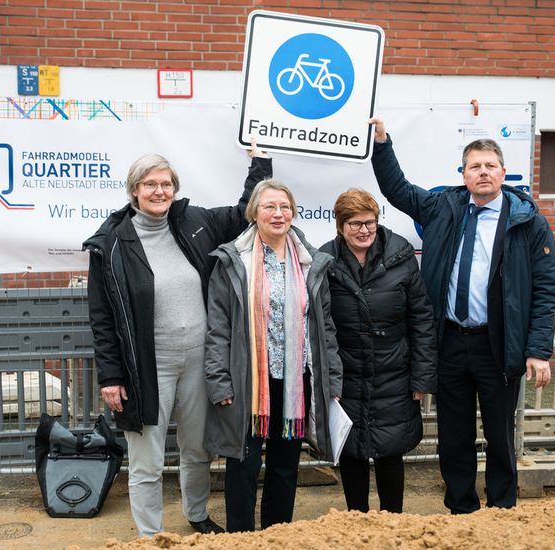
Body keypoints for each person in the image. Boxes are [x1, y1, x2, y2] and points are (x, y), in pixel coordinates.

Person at [368, 117, 555, 514]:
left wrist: (538, 350)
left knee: (500, 435)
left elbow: (544, 292)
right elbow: (397, 190)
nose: (483, 172)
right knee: (454, 437)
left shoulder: (529, 223)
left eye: (490, 165)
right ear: (464, 173)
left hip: (498, 345)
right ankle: (461, 509)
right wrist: (383, 144)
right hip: (450, 342)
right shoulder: (444, 208)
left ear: (504, 173)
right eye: (475, 166)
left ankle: (502, 508)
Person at [83, 145, 272, 537]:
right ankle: (150, 535)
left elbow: (243, 214)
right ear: (133, 190)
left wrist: (261, 164)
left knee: (197, 450)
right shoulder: (112, 242)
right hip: (145, 367)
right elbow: (102, 318)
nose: (159, 191)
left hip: (200, 359)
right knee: (147, 460)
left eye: (166, 183)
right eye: (150, 184)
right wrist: (110, 376)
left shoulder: (193, 223)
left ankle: (197, 514)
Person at [203, 179, 343, 532]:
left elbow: (324, 326)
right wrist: (219, 382)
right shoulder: (233, 261)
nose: (278, 213)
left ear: (293, 212)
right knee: (243, 464)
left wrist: (333, 378)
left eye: (284, 206)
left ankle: (278, 535)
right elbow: (218, 327)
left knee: (285, 467)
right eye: (269, 206)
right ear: (254, 213)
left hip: (296, 380)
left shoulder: (310, 261)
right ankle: (240, 537)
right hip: (247, 380)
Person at [319, 188, 437, 514]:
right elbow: (319, 325)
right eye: (355, 223)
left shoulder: (401, 257)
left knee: (390, 451)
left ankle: (393, 524)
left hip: (394, 374)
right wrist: (329, 380)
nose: (364, 230)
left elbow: (422, 320)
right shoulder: (324, 263)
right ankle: (358, 524)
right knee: (352, 451)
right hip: (347, 376)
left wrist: (421, 379)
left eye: (369, 222)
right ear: (340, 226)